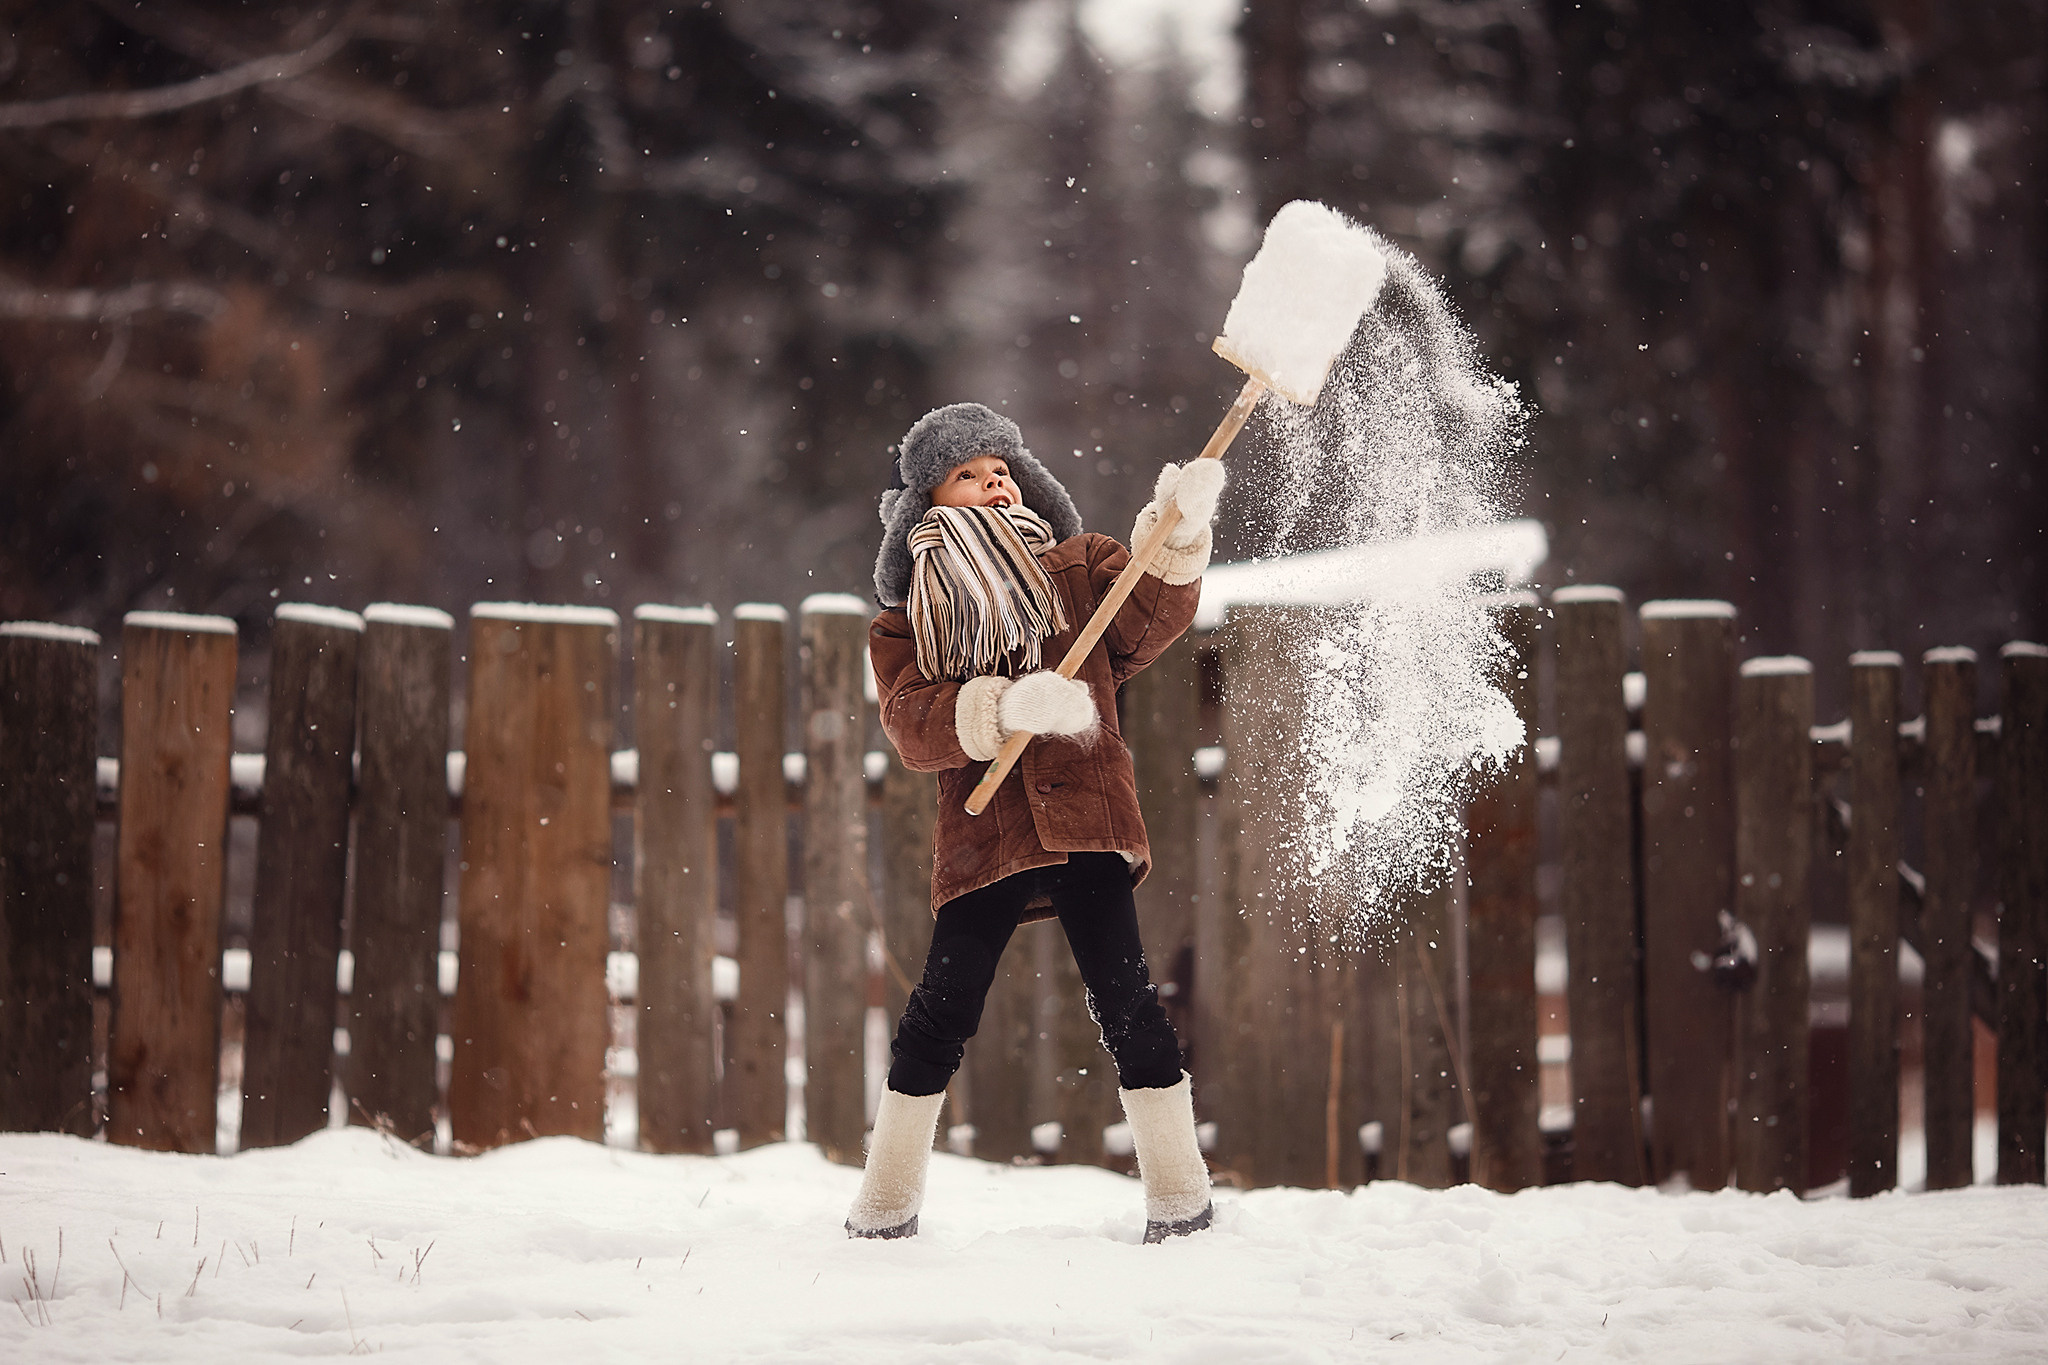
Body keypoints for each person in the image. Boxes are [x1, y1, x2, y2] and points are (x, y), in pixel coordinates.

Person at [846, 401, 1224, 1243]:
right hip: (986, 838)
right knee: (940, 1009)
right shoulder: (905, 617)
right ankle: (883, 1205)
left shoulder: (1080, 569)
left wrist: (1178, 531)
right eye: (968, 474)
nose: (993, 482)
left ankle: (1180, 1196)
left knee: (1128, 997)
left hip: (1088, 816)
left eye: (1003, 468)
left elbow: (1146, 616)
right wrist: (1002, 705)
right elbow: (911, 723)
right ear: (927, 503)